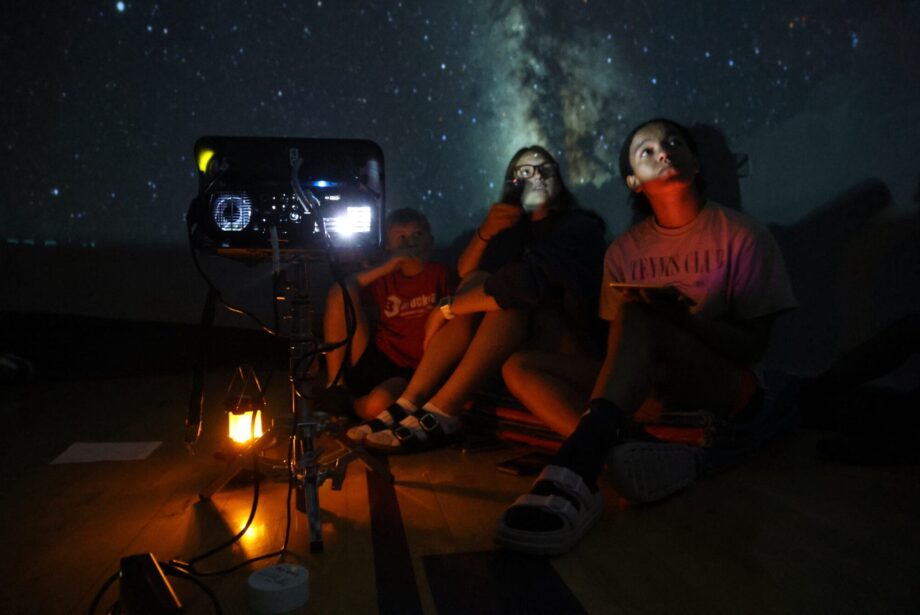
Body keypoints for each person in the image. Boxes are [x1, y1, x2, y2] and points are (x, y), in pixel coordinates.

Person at [495, 118, 797, 555]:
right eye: (647, 151)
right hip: (653, 385)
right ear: (635, 182)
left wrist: (683, 321)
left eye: (674, 143)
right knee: (518, 366)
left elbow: (754, 348)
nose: (664, 152)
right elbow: (619, 348)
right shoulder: (624, 251)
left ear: (696, 162)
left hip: (722, 386)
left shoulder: (743, 237)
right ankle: (629, 446)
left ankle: (578, 466)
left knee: (643, 312)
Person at [349, 146, 607, 453]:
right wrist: (486, 232)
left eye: (543, 170)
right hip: (518, 340)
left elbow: (524, 285)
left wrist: (444, 309)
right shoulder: (513, 231)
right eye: (523, 173)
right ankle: (410, 403)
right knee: (478, 283)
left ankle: (443, 411)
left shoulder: (579, 225)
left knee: (503, 299)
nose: (533, 177)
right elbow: (468, 271)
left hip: (566, 338)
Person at [319, 208, 453, 419]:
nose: (410, 242)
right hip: (380, 358)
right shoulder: (385, 278)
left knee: (378, 405)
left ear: (430, 240)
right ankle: (336, 385)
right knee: (339, 291)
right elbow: (345, 289)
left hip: (417, 368)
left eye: (417, 234)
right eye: (401, 237)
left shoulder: (440, 273)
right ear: (389, 246)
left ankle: (352, 406)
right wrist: (387, 266)